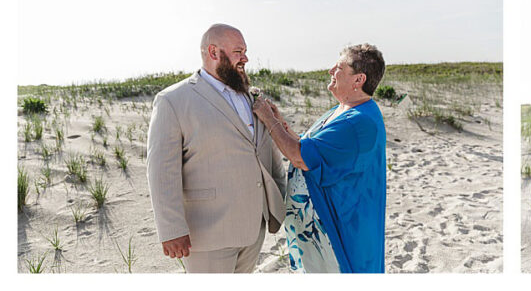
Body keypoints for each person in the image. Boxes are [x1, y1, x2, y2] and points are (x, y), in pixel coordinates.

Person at [147, 23, 287, 273]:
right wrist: (171, 229)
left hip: (255, 228)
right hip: (208, 233)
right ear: (213, 52)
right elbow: (161, 171)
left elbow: (266, 153)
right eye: (238, 52)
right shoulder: (172, 101)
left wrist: (281, 199)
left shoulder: (253, 96)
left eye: (245, 51)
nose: (245, 58)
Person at [252, 43, 387, 273]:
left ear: (358, 80)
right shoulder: (343, 108)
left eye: (339, 67)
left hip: (340, 228)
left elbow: (299, 156)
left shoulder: (359, 122)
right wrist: (280, 122)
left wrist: (267, 119)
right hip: (319, 229)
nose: (330, 70)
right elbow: (309, 144)